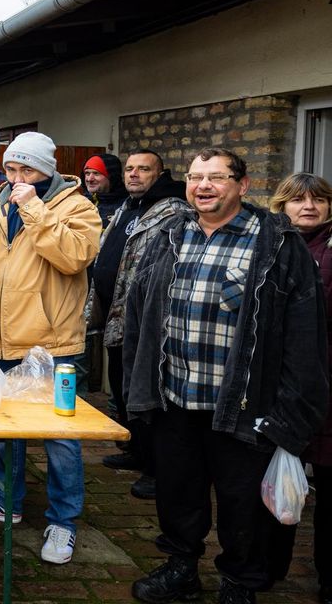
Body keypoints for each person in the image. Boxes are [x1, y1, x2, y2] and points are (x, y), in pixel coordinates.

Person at [124, 149, 328, 604]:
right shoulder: (172, 235)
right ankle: (181, 569)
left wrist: (289, 414)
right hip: (175, 398)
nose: (203, 186)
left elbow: (303, 338)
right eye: (196, 177)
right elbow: (141, 312)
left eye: (217, 177)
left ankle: (240, 584)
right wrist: (140, 389)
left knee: (245, 508)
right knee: (178, 495)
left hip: (243, 406)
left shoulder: (277, 244)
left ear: (243, 185)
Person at [0, 131, 101, 565]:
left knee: (61, 438)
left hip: (51, 341)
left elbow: (74, 257)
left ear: (47, 171)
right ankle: (5, 500)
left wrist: (34, 208)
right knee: (4, 431)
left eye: (28, 171)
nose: (17, 178)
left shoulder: (78, 207)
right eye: (13, 169)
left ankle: (64, 520)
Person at [89, 150, 186, 499]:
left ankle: (155, 469)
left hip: (146, 322)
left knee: (145, 394)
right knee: (121, 386)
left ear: (158, 174)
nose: (134, 175)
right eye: (129, 169)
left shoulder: (173, 211)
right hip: (117, 317)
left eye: (143, 169)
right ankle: (136, 451)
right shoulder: (126, 207)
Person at [268, 173, 332, 602]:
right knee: (275, 485)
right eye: (298, 199)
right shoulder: (270, 247)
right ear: (282, 205)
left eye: (319, 199)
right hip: (279, 387)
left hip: (328, 386)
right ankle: (267, 570)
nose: (308, 206)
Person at [83, 153, 128, 227]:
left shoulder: (127, 205)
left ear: (111, 177)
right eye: (87, 173)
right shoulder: (82, 203)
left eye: (96, 173)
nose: (89, 179)